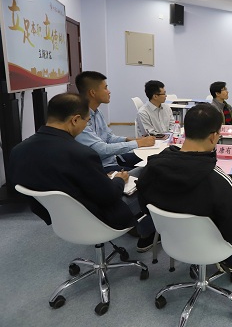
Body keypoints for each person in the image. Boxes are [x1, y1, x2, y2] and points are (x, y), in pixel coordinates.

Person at [7, 93, 156, 251]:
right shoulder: (81, 154)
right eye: (87, 121)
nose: (86, 126)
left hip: (58, 218)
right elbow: (109, 196)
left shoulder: (18, 151)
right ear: (75, 120)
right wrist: (119, 179)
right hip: (98, 217)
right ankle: (147, 231)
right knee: (150, 179)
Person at [136, 103, 232, 276]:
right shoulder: (218, 180)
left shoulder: (151, 168)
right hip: (213, 245)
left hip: (173, 240)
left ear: (185, 131)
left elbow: (144, 208)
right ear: (214, 137)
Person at [75, 71, 155, 173]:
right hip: (100, 168)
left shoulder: (97, 112)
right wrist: (138, 143)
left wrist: (130, 139)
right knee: (148, 172)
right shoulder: (80, 120)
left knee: (154, 160)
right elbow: (102, 149)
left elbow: (108, 138)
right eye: (105, 88)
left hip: (112, 159)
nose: (109, 92)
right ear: (92, 93)